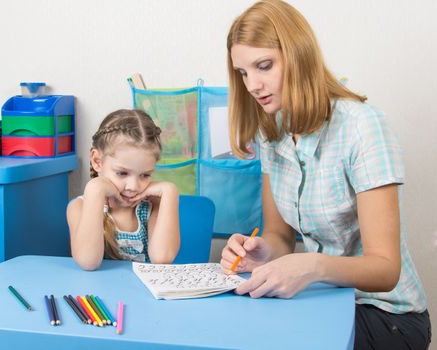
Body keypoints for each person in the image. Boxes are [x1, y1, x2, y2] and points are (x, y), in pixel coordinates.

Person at [220, 1, 431, 348]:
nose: (253, 85)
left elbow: (385, 268)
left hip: (386, 315)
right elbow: (279, 236)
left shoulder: (363, 127)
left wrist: (312, 266)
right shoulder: (273, 131)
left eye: (264, 66)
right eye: (242, 73)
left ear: (299, 55)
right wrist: (262, 252)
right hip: (324, 301)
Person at [67, 109, 180, 271]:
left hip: (141, 295)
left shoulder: (153, 205)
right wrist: (95, 189)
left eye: (145, 175)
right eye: (122, 173)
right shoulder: (79, 208)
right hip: (100, 294)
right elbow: (88, 262)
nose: (133, 186)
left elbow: (162, 258)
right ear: (97, 161)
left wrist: (170, 192)